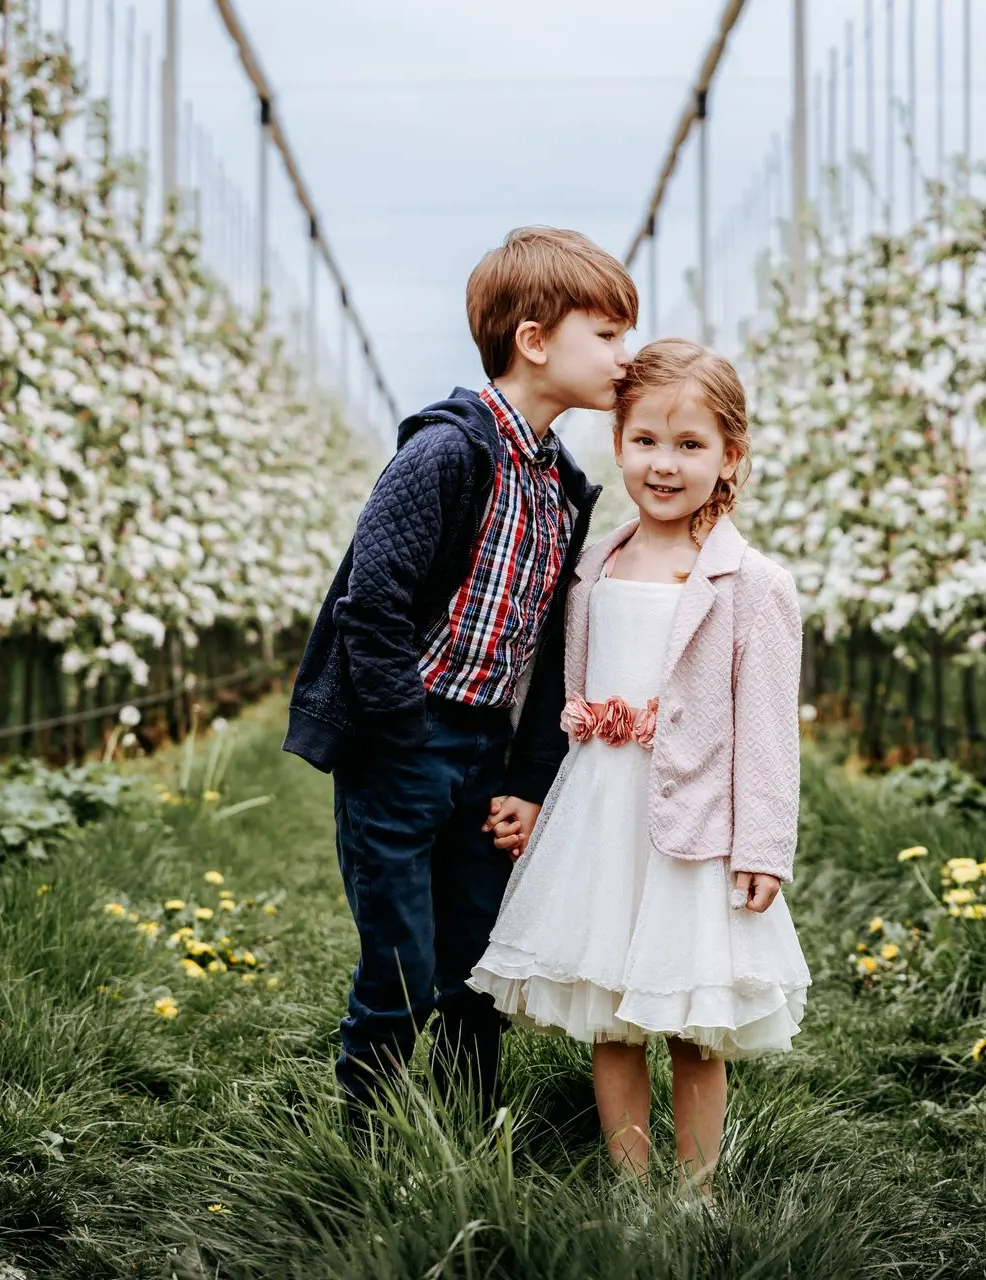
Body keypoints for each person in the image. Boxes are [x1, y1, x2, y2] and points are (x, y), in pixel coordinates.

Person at [283, 227, 637, 1125]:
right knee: (399, 963)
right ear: (534, 340)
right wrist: (401, 736)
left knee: (479, 963)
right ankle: (366, 1142)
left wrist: (524, 776)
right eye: (607, 335)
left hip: (483, 747)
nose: (623, 358)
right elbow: (372, 603)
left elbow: (549, 646)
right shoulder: (446, 454)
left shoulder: (562, 484)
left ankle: (469, 1136)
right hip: (406, 739)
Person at [466, 337, 810, 1194]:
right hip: (601, 814)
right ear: (617, 442)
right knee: (612, 1012)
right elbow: (563, 697)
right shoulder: (594, 564)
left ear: (730, 457)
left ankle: (693, 1196)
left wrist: (764, 844)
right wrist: (538, 794)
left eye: (690, 446)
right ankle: (630, 1187)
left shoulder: (749, 583)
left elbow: (769, 728)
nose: (664, 465)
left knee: (695, 1020)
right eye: (646, 441)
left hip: (695, 825)